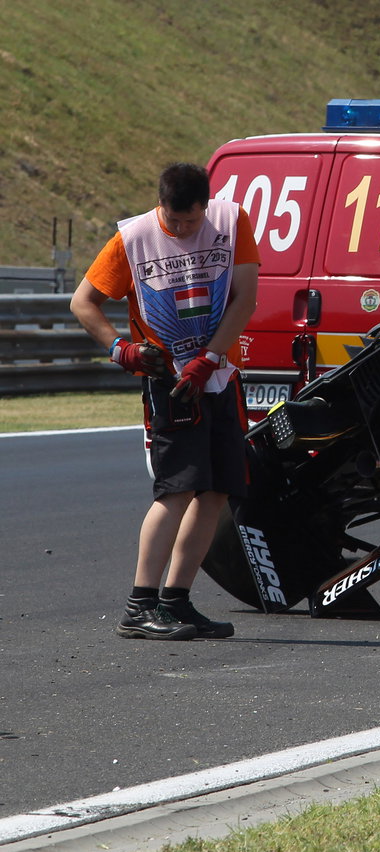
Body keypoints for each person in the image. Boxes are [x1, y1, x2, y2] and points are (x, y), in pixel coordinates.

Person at [70, 162, 260, 641]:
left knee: (216, 492)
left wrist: (212, 356)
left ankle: (177, 600)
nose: (180, 229)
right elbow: (83, 302)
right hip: (169, 380)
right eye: (172, 221)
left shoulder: (232, 222)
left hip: (219, 375)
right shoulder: (133, 237)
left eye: (190, 221)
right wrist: (121, 349)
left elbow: (245, 299)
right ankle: (140, 604)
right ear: (161, 204)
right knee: (175, 489)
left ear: (206, 206)